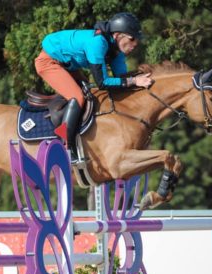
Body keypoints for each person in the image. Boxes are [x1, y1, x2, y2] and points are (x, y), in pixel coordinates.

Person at [35, 12, 153, 162]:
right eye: (131, 39)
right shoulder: (97, 43)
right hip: (49, 62)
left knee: (90, 94)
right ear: (117, 35)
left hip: (68, 65)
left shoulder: (117, 52)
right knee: (77, 96)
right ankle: (65, 147)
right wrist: (134, 81)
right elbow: (103, 83)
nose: (135, 44)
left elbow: (121, 80)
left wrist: (136, 82)